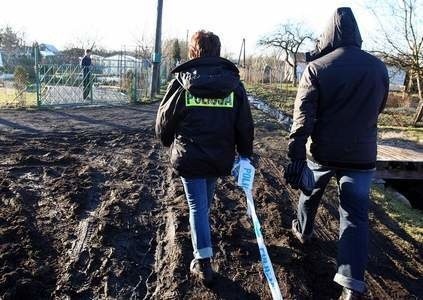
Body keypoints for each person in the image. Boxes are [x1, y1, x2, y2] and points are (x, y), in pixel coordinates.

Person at [284, 7, 389, 300]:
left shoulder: (316, 69)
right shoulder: (378, 68)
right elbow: (378, 107)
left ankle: (303, 232)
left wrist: (295, 155)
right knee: (355, 216)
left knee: (310, 193)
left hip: (323, 153)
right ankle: (351, 285)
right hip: (362, 156)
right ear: (356, 33)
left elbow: (302, 120)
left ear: (328, 33)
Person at [156, 30, 254, 285]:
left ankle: (203, 262)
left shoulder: (182, 83)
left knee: (198, 207)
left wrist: (167, 140)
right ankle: (203, 249)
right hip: (219, 157)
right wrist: (244, 155)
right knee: (203, 204)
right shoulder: (234, 86)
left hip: (190, 157)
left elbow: (164, 120)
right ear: (217, 52)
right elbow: (244, 124)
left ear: (194, 52)